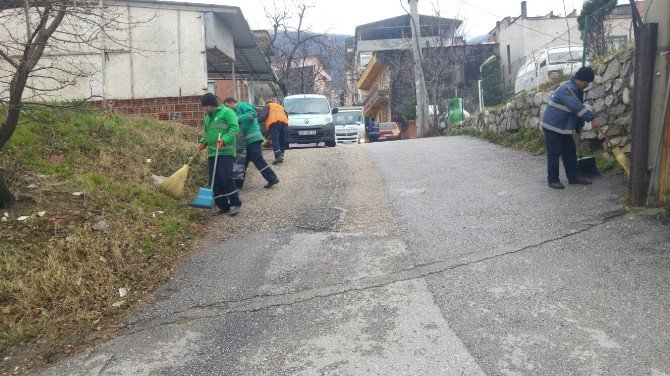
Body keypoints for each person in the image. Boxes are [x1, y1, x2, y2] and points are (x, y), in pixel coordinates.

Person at [541, 66, 602, 189]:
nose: (587, 85)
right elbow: (576, 107)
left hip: (563, 128)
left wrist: (578, 127)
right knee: (554, 153)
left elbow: (575, 112)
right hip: (553, 126)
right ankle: (553, 180)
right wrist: (592, 118)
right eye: (586, 82)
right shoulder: (566, 89)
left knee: (569, 152)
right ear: (579, 79)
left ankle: (574, 177)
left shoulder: (576, 89)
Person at [198, 93, 242, 216]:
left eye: (206, 106)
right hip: (212, 152)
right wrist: (203, 143)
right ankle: (223, 206)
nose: (205, 109)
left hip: (226, 151)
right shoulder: (207, 117)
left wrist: (224, 140)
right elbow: (207, 134)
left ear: (212, 104)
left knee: (225, 176)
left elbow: (234, 129)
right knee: (214, 179)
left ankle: (235, 203)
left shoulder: (227, 112)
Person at [223, 97, 280, 189]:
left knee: (257, 159)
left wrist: (238, 118)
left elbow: (253, 114)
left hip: (253, 138)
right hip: (246, 140)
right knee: (242, 161)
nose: (227, 108)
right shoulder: (234, 112)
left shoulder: (242, 105)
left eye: (227, 106)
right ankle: (238, 183)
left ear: (232, 102)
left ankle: (272, 178)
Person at [258, 100, 289, 165]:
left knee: (275, 140)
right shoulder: (280, 106)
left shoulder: (268, 106)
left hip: (275, 123)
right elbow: (287, 115)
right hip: (284, 123)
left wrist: (256, 121)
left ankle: (278, 156)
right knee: (282, 139)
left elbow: (263, 116)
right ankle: (281, 155)